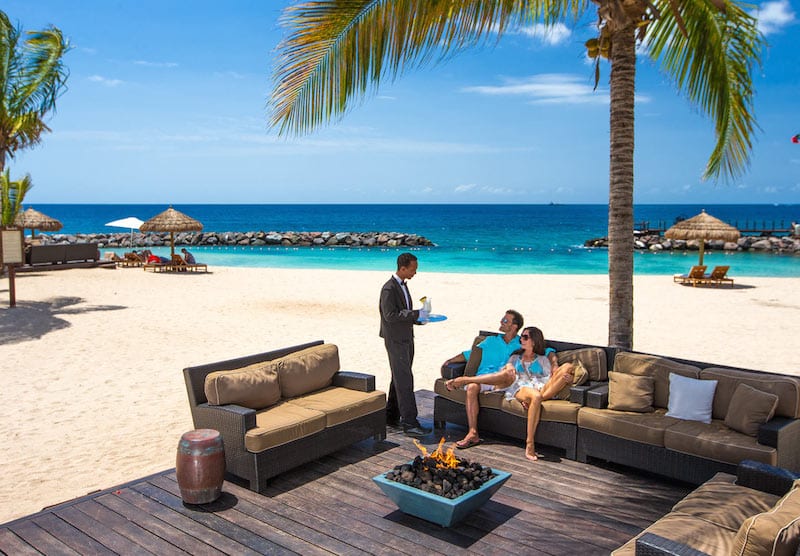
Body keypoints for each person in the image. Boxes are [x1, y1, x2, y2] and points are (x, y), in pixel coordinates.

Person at [446, 326, 574, 462]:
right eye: (522, 336)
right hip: (521, 387)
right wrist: (510, 367)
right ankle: (530, 444)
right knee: (535, 396)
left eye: (525, 337)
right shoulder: (515, 357)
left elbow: (549, 378)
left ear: (534, 342)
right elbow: (508, 368)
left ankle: (535, 400)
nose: (521, 339)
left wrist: (568, 380)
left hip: (542, 388)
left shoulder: (542, 359)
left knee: (568, 368)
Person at [441, 310, 524, 449]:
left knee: (507, 373)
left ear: (514, 326)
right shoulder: (490, 341)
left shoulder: (522, 343)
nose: (501, 322)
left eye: (505, 321)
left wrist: (553, 362)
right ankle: (473, 433)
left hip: (506, 383)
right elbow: (469, 354)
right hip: (484, 380)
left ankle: (464, 380)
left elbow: (546, 351)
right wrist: (450, 361)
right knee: (473, 387)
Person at [379, 252, 430, 437]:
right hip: (395, 340)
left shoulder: (402, 286)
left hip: (406, 337)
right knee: (405, 380)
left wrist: (419, 319)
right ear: (402, 268)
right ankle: (410, 423)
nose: (415, 272)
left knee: (399, 377)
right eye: (413, 269)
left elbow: (404, 312)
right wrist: (415, 314)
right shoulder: (389, 289)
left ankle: (390, 416)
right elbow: (390, 316)